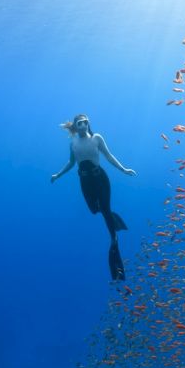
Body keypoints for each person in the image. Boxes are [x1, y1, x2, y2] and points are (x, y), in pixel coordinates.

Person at [51, 114, 137, 280]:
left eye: (85, 122)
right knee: (94, 210)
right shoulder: (73, 143)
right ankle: (111, 218)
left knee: (104, 209)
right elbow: (70, 164)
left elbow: (109, 156)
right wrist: (57, 175)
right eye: (79, 123)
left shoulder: (96, 138)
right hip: (84, 181)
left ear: (88, 124)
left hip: (100, 179)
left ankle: (113, 238)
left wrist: (124, 169)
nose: (83, 124)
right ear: (75, 126)